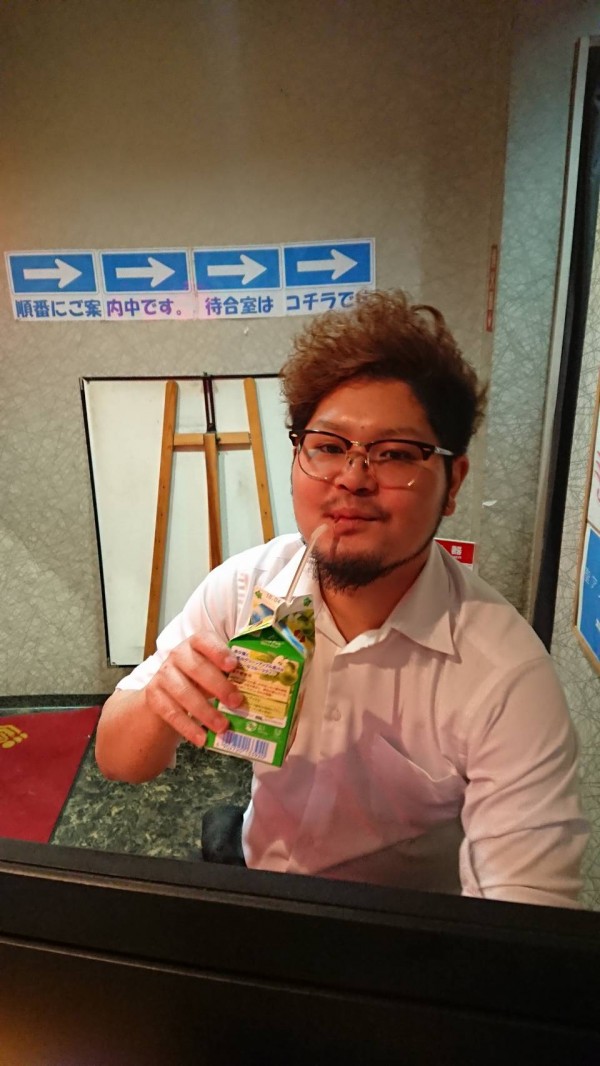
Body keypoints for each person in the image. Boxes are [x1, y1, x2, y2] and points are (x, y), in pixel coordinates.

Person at [96, 289, 588, 907]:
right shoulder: (247, 590)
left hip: (394, 931)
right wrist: (160, 700)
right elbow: (118, 760)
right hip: (258, 882)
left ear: (453, 482)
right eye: (329, 447)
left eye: (396, 455)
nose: (352, 479)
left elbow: (528, 909)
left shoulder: (505, 675)